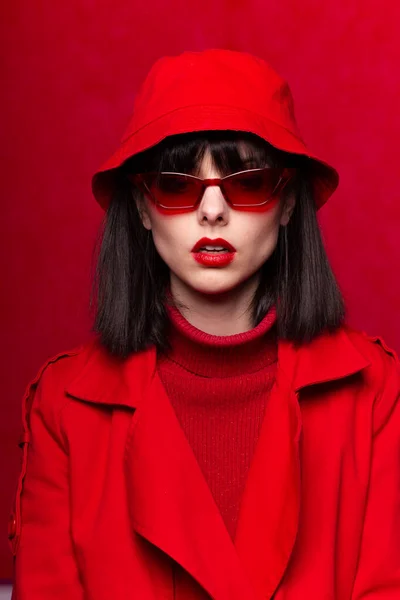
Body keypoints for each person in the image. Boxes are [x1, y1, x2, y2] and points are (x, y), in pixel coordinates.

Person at [9, 49, 400, 600]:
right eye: (176, 185)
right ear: (142, 209)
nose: (212, 211)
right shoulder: (66, 406)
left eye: (245, 182)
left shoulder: (376, 395)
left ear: (287, 202)